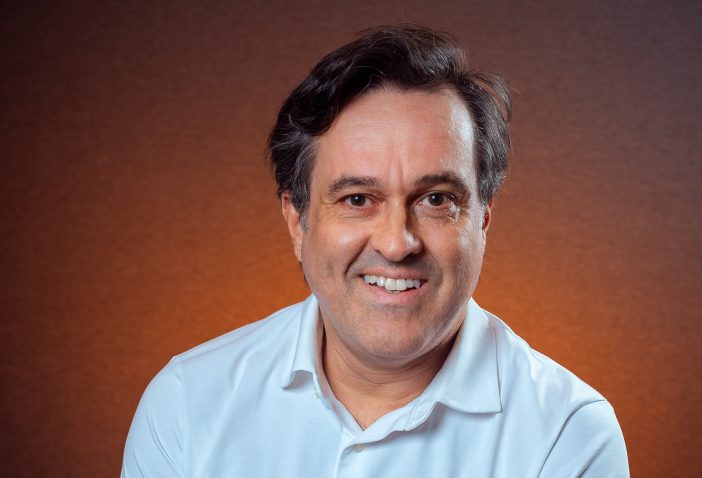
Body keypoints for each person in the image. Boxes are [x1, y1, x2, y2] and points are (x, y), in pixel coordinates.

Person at [122, 25, 629, 477]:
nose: (396, 243)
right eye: (357, 199)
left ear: (483, 220)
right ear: (297, 221)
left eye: (436, 199)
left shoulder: (567, 435)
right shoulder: (187, 403)